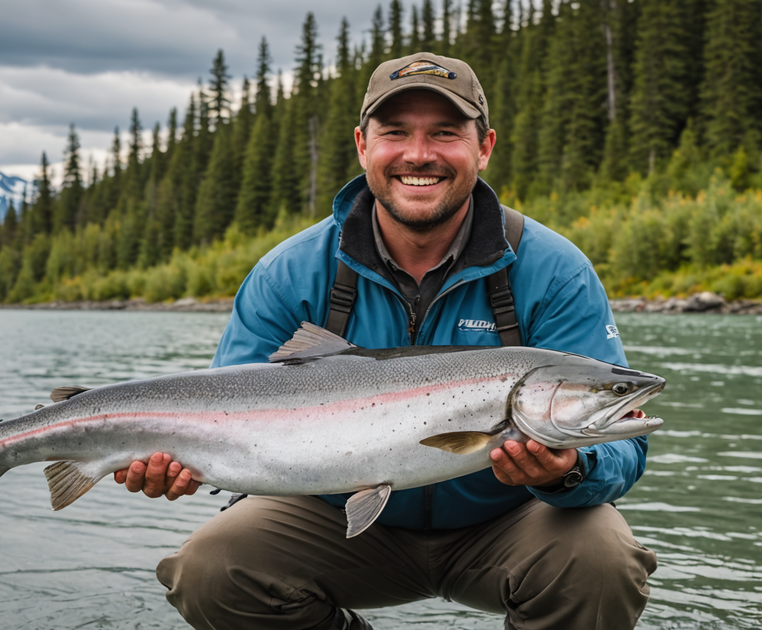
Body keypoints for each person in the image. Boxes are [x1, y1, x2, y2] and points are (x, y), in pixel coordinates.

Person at [115, 52, 657, 629]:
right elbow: (224, 414)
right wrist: (184, 466)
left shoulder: (554, 271)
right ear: (361, 145)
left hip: (510, 524)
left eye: (445, 133)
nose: (419, 154)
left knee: (603, 557)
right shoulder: (289, 272)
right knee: (211, 568)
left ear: (484, 147)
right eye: (395, 133)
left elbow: (623, 453)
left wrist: (567, 469)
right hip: (329, 521)